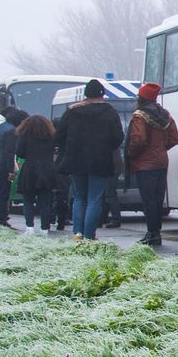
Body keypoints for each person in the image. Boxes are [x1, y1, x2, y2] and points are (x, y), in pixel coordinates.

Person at [54, 79, 124, 241]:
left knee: (79, 197)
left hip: (75, 160)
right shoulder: (109, 112)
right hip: (100, 161)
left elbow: (58, 136)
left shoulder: (71, 111)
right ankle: (89, 234)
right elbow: (118, 137)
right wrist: (106, 148)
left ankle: (77, 233)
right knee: (95, 198)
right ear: (102, 94)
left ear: (86, 94)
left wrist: (70, 148)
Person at [125, 82, 178, 247]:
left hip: (144, 164)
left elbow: (138, 140)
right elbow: (174, 138)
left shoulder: (140, 116)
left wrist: (131, 155)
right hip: (161, 162)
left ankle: (151, 233)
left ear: (142, 98)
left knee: (148, 200)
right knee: (157, 198)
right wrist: (161, 149)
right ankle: (156, 233)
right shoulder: (166, 115)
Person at [13, 114, 60, 233]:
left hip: (29, 169)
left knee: (28, 200)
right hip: (48, 169)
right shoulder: (51, 136)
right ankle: (45, 228)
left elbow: (20, 153)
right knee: (45, 201)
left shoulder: (24, 136)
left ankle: (29, 227)